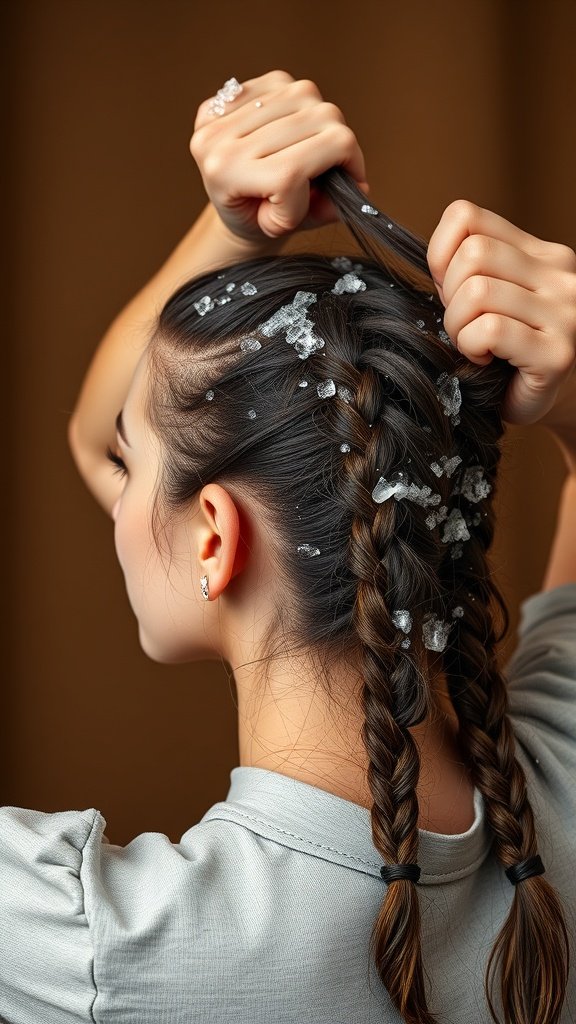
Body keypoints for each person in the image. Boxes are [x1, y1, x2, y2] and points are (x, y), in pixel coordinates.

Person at [1, 69, 575, 1024]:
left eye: (132, 466)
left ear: (215, 538)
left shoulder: (94, 948)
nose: (112, 487)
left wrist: (231, 224)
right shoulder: (558, 789)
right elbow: (105, 432)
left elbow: (86, 430)